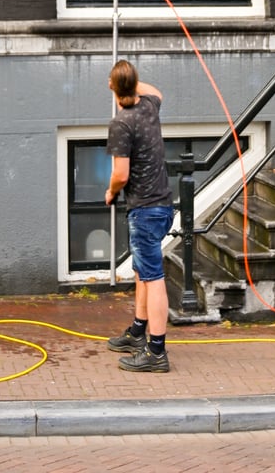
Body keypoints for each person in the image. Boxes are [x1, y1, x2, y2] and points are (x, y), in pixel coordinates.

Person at [105, 59, 174, 373]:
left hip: (144, 210)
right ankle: (137, 331)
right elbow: (155, 90)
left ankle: (156, 352)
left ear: (114, 89)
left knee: (153, 278)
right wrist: (129, 81)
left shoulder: (122, 122)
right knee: (142, 271)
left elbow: (120, 173)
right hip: (161, 205)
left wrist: (110, 192)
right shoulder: (150, 106)